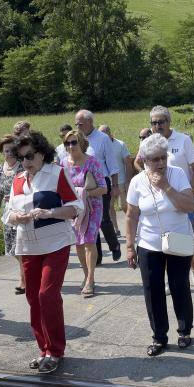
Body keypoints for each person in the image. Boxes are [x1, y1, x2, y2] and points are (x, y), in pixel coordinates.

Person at [7, 131, 82, 374]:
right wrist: (16, 217)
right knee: (32, 298)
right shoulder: (18, 179)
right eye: (21, 158)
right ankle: (44, 349)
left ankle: (56, 350)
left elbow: (75, 208)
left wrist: (49, 213)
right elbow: (8, 215)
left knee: (47, 295)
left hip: (56, 244)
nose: (26, 162)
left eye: (30, 156)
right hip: (28, 246)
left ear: (42, 153)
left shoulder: (57, 173)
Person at [125, 133, 194, 357]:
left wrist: (166, 187)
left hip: (178, 238)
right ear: (145, 161)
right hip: (148, 242)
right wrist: (129, 246)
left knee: (179, 285)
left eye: (163, 157)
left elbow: (189, 206)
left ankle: (184, 330)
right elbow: (131, 215)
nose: (160, 163)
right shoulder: (137, 182)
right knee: (152, 290)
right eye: (154, 159)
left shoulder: (178, 174)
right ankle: (159, 336)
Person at [134, 106, 194, 286]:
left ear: (169, 122)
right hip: (156, 199)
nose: (157, 126)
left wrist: (193, 192)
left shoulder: (183, 140)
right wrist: (147, 177)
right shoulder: (147, 143)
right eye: (154, 123)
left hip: (182, 197)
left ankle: (193, 264)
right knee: (162, 239)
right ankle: (167, 280)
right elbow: (137, 161)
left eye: (161, 122)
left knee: (183, 240)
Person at [62, 129, 107, 297]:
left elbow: (103, 188)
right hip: (73, 208)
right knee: (78, 243)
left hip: (93, 207)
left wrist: (84, 192)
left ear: (81, 143)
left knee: (89, 241)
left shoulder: (92, 162)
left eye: (74, 142)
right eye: (67, 143)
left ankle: (90, 279)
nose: (71, 146)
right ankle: (86, 275)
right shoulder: (63, 163)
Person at [74, 110, 121, 263]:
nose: (78, 126)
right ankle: (97, 257)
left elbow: (112, 164)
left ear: (90, 122)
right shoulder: (76, 140)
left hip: (102, 183)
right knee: (89, 220)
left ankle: (114, 246)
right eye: (76, 124)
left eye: (80, 124)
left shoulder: (103, 139)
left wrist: (114, 185)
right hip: (84, 186)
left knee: (103, 219)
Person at [0, 134, 24, 295]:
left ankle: (23, 279)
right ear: (2, 152)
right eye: (6, 150)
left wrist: (15, 197)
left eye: (12, 150)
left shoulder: (23, 167)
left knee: (22, 247)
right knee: (13, 248)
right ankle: (27, 274)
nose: (9, 153)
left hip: (23, 213)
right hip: (7, 214)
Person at [99, 124, 132, 236]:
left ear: (109, 132)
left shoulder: (120, 144)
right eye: (100, 133)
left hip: (121, 180)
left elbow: (127, 162)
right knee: (109, 207)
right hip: (106, 182)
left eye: (104, 132)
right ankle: (116, 229)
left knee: (124, 205)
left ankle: (133, 224)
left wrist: (128, 180)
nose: (102, 135)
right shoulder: (99, 146)